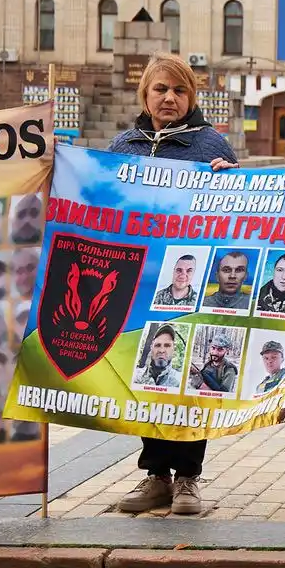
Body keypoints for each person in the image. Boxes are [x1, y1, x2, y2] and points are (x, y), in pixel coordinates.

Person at [108, 53, 237, 516]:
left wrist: (230, 182)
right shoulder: (124, 145)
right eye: (160, 89)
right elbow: (103, 200)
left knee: (187, 382)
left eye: (180, 90)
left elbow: (240, 213)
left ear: (192, 97)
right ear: (145, 93)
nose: (169, 98)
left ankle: (187, 479)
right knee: (147, 376)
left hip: (190, 284)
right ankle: (156, 477)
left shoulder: (209, 144)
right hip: (139, 282)